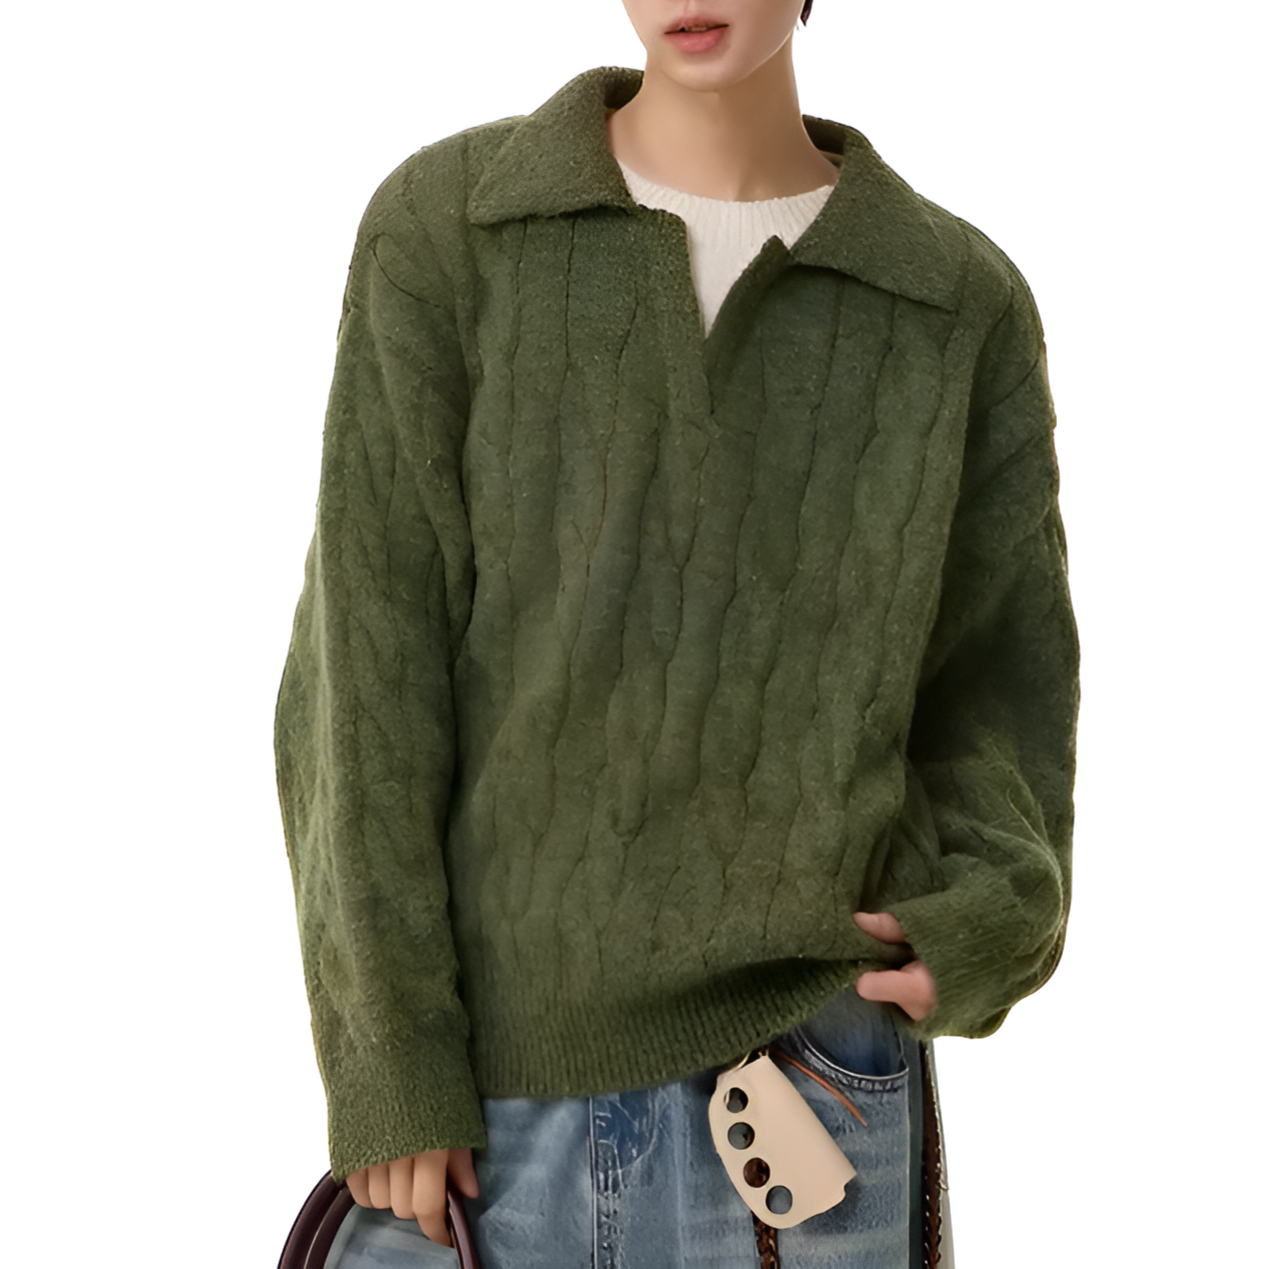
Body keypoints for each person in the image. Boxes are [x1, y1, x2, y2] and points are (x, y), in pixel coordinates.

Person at [274, 1, 1078, 1265]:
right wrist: (389, 1059)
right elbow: (361, 676)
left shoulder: (953, 299)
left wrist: (989, 911)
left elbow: (1002, 684)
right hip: (487, 1113)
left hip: (816, 1086)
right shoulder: (452, 229)